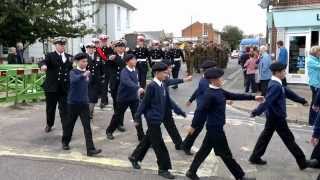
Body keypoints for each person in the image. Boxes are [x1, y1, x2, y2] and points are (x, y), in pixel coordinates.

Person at [186, 67, 262, 180]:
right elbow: (200, 111)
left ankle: (191, 172)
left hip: (215, 127)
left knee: (204, 150)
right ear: (213, 80)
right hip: (215, 129)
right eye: (219, 78)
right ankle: (240, 176)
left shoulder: (219, 90)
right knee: (225, 154)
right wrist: (193, 126)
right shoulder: (209, 94)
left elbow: (234, 95)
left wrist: (253, 97)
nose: (222, 80)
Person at [249, 62, 316, 170]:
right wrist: (256, 111)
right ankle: (302, 162)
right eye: (284, 71)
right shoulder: (275, 86)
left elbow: (288, 92)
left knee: (265, 137)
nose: (285, 72)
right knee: (289, 139)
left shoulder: (277, 83)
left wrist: (301, 100)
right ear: (277, 72)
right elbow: (267, 101)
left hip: (273, 116)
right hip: (277, 118)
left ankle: (255, 157)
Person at [128, 62, 186, 179]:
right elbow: (144, 103)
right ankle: (163, 169)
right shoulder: (152, 86)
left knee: (148, 140)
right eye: (164, 73)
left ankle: (134, 157)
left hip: (159, 117)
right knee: (159, 145)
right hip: (153, 119)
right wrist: (137, 117)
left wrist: (179, 111)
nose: (167, 74)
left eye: (166, 72)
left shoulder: (163, 85)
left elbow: (168, 101)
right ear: (157, 73)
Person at [61, 53, 102, 157]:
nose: (85, 63)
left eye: (86, 61)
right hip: (73, 103)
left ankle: (90, 149)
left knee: (87, 127)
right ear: (77, 62)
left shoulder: (88, 73)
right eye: (83, 61)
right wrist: (83, 75)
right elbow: (74, 80)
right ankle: (65, 142)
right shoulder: (73, 72)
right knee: (69, 124)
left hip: (84, 103)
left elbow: (89, 84)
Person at [106, 54, 145, 141]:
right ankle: (109, 131)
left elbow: (137, 82)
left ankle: (141, 136)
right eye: (133, 59)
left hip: (134, 98)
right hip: (123, 98)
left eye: (135, 59)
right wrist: (138, 88)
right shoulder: (124, 72)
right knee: (117, 116)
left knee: (137, 117)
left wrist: (139, 90)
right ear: (127, 62)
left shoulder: (136, 70)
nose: (135, 61)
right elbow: (127, 82)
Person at [181, 61, 217, 156]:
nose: (215, 70)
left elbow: (198, 90)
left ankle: (185, 144)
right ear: (208, 70)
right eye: (214, 68)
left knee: (196, 128)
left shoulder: (206, 79)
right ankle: (186, 146)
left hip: (203, 108)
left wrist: (191, 100)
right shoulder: (205, 82)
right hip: (202, 109)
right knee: (196, 128)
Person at [39, 37, 73, 133]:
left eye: (63, 45)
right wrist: (43, 66)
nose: (62, 46)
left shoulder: (69, 57)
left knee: (65, 109)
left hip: (64, 88)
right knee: (50, 108)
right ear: (55, 45)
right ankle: (49, 124)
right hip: (51, 88)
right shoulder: (50, 55)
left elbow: (74, 67)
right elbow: (43, 61)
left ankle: (66, 129)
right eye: (59, 45)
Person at [105, 40, 128, 134]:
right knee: (116, 104)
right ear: (116, 48)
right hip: (115, 84)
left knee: (122, 104)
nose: (121, 48)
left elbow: (124, 65)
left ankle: (120, 123)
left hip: (124, 85)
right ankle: (117, 123)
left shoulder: (128, 57)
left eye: (122, 46)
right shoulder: (111, 57)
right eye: (119, 47)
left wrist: (116, 59)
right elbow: (107, 66)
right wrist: (111, 58)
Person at [85, 42, 103, 120]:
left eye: (92, 48)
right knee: (86, 97)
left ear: (94, 49)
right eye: (89, 48)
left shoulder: (98, 56)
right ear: (87, 49)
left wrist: (102, 76)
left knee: (93, 97)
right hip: (86, 80)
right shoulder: (83, 57)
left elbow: (101, 68)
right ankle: (86, 111)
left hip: (96, 80)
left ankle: (90, 112)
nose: (90, 50)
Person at [97, 34, 114, 109]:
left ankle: (112, 99)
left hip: (109, 69)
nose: (103, 42)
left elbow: (111, 58)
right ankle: (104, 101)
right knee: (103, 86)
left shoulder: (109, 49)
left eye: (105, 41)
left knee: (111, 85)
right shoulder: (98, 50)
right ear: (100, 41)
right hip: (101, 70)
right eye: (102, 41)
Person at [307, 46, 320, 125]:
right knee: (315, 103)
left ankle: (314, 120)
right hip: (315, 84)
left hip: (317, 84)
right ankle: (312, 121)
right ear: (315, 52)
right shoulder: (310, 60)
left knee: (316, 102)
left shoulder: (316, 59)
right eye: (319, 52)